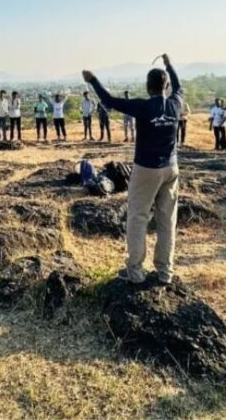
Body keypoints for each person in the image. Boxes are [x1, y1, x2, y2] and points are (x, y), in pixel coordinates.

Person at [82, 54, 183, 285]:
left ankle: (135, 272)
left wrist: (92, 79)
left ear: (148, 87)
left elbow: (109, 100)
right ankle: (165, 272)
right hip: (171, 168)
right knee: (167, 220)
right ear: (166, 86)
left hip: (146, 168)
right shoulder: (176, 103)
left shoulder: (142, 106)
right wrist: (169, 65)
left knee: (138, 217)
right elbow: (179, 86)